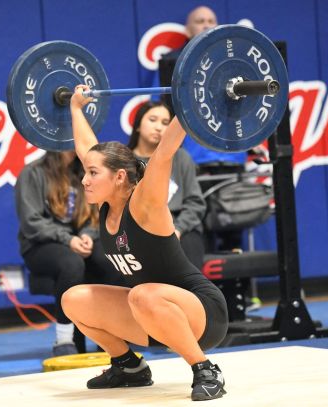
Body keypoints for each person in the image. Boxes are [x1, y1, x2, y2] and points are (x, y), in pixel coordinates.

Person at [62, 85, 229, 401]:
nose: (84, 179)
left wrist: (188, 103)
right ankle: (128, 366)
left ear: (119, 177)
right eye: (86, 171)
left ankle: (206, 370)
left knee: (142, 294)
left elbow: (164, 152)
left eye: (93, 173)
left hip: (203, 313)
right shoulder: (107, 204)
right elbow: (87, 149)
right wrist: (76, 108)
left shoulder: (145, 204)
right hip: (150, 311)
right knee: (74, 299)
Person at [15, 151, 122, 356]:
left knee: (110, 260)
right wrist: (68, 239)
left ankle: (111, 335)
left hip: (79, 239)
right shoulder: (33, 172)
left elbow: (98, 213)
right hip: (40, 244)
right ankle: (64, 338)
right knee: (72, 264)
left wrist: (88, 234)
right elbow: (31, 222)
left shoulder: (86, 172)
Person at [159, 5, 247, 253]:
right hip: (194, 158)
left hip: (231, 154)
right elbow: (163, 108)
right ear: (188, 30)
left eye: (211, 20)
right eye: (200, 21)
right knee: (200, 223)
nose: (206, 25)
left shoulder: (233, 59)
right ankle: (205, 276)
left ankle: (237, 276)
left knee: (234, 225)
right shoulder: (172, 62)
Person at [127, 101, 206, 270]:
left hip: (179, 227)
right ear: (138, 125)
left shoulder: (181, 158)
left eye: (165, 123)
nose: (158, 127)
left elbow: (195, 203)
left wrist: (178, 229)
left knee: (189, 250)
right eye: (152, 120)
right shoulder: (123, 162)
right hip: (138, 229)